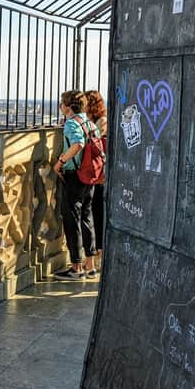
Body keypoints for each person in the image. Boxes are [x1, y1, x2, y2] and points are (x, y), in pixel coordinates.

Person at [52, 90, 99, 281]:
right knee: (87, 217)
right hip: (90, 176)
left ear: (69, 106)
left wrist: (60, 162)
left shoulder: (71, 123)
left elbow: (78, 144)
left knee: (72, 220)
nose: (60, 107)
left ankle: (76, 266)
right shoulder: (89, 122)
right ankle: (90, 264)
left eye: (62, 103)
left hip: (74, 175)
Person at [85, 90, 108, 276]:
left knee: (96, 213)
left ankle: (98, 254)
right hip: (100, 174)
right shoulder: (101, 121)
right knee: (97, 212)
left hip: (99, 174)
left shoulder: (100, 123)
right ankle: (98, 253)